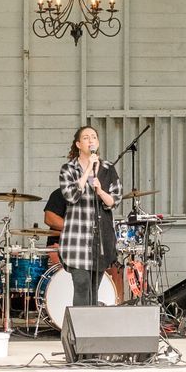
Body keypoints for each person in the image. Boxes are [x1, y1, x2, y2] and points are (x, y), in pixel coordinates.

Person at [57, 126, 120, 309]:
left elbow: (113, 201)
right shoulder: (68, 169)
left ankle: (89, 331)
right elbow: (71, 196)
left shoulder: (108, 169)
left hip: (100, 239)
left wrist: (100, 191)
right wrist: (87, 171)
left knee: (94, 289)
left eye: (93, 137)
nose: (91, 140)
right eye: (86, 137)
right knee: (82, 285)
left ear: (98, 142)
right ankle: (79, 332)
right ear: (78, 144)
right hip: (76, 238)